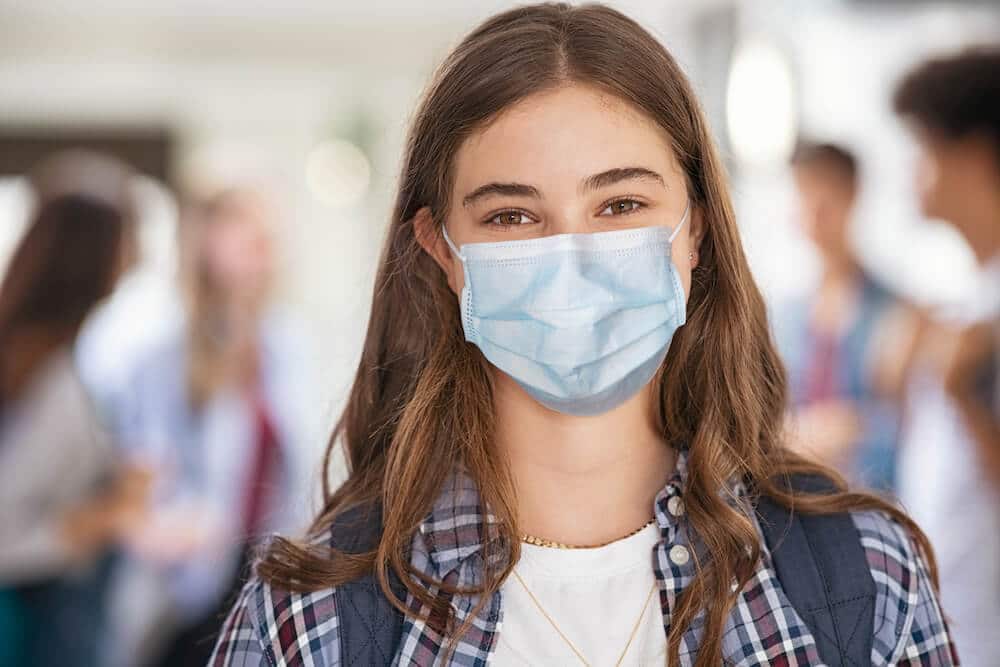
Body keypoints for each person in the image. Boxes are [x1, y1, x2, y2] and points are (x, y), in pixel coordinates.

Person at [212, 4, 957, 665]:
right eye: (512, 215)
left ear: (694, 229)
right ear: (443, 250)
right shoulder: (311, 618)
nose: (573, 257)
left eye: (621, 203)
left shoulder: (864, 578)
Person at [110, 186, 319, 667]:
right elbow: (141, 481)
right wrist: (177, 526)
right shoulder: (161, 352)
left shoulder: (286, 343)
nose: (262, 237)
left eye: (266, 226)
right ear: (204, 241)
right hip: (184, 594)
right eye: (241, 222)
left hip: (265, 583)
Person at [0, 151, 151, 667]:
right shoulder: (51, 381)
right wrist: (99, 519)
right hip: (39, 631)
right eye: (129, 237)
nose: (139, 256)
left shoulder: (45, 358)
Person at [891, 47, 1000, 667]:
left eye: (925, 149)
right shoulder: (969, 296)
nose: (914, 171)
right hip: (950, 624)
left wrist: (960, 395)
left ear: (975, 156)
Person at [777, 142, 901, 491]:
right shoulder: (783, 315)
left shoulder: (896, 312)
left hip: (872, 501)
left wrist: (852, 427)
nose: (815, 205)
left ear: (852, 194)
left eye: (825, 188)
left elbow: (909, 430)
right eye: (804, 190)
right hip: (797, 501)